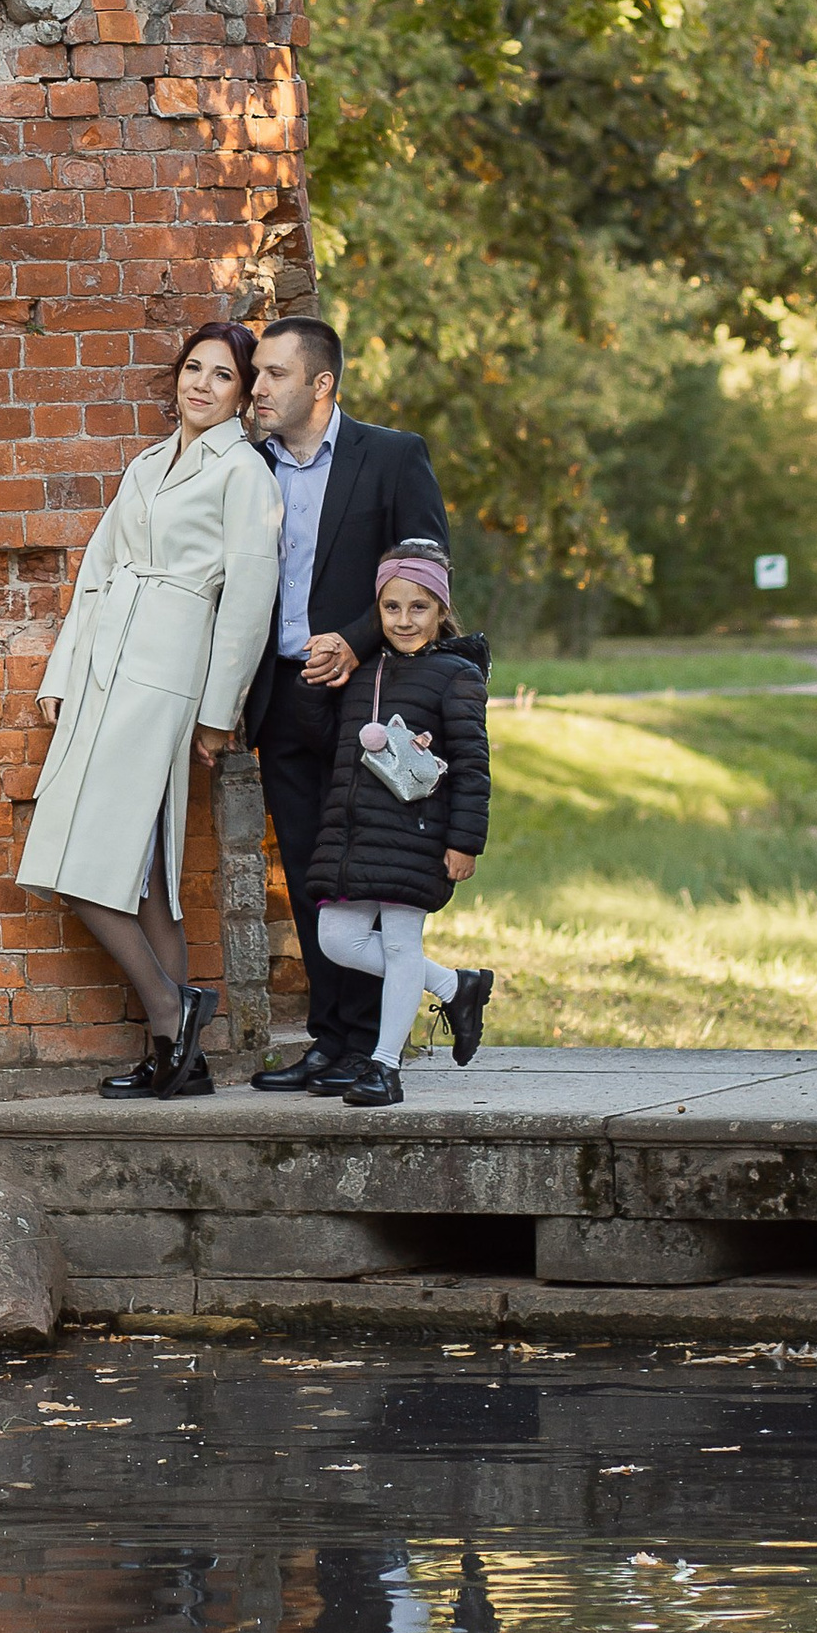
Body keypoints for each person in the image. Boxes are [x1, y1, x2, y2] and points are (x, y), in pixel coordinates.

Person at [18, 322, 283, 1101]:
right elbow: (97, 572)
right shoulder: (145, 464)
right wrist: (64, 670)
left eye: (222, 375)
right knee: (143, 879)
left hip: (166, 675)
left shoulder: (243, 474)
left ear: (242, 394)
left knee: (83, 869)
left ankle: (174, 1007)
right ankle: (182, 1057)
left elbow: (249, 603)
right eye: (193, 369)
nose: (201, 384)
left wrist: (215, 712)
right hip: (106, 668)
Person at [238, 318, 450, 1095]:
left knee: (370, 875)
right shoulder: (245, 466)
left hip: (369, 696)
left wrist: (361, 641)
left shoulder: (392, 456)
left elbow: (427, 567)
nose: (257, 389)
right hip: (282, 696)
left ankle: (372, 1045)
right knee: (311, 873)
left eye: (274, 376)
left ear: (321, 384)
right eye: (255, 373)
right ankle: (332, 1041)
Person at [305, 544, 495, 1107]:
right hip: (357, 836)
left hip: (417, 834)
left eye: (419, 607)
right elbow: (324, 739)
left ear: (441, 610)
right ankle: (454, 985)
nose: (404, 620)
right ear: (377, 612)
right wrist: (315, 683)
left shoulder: (455, 675)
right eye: (391, 608)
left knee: (402, 943)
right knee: (337, 938)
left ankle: (385, 1067)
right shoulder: (363, 671)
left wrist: (464, 840)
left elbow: (471, 764)